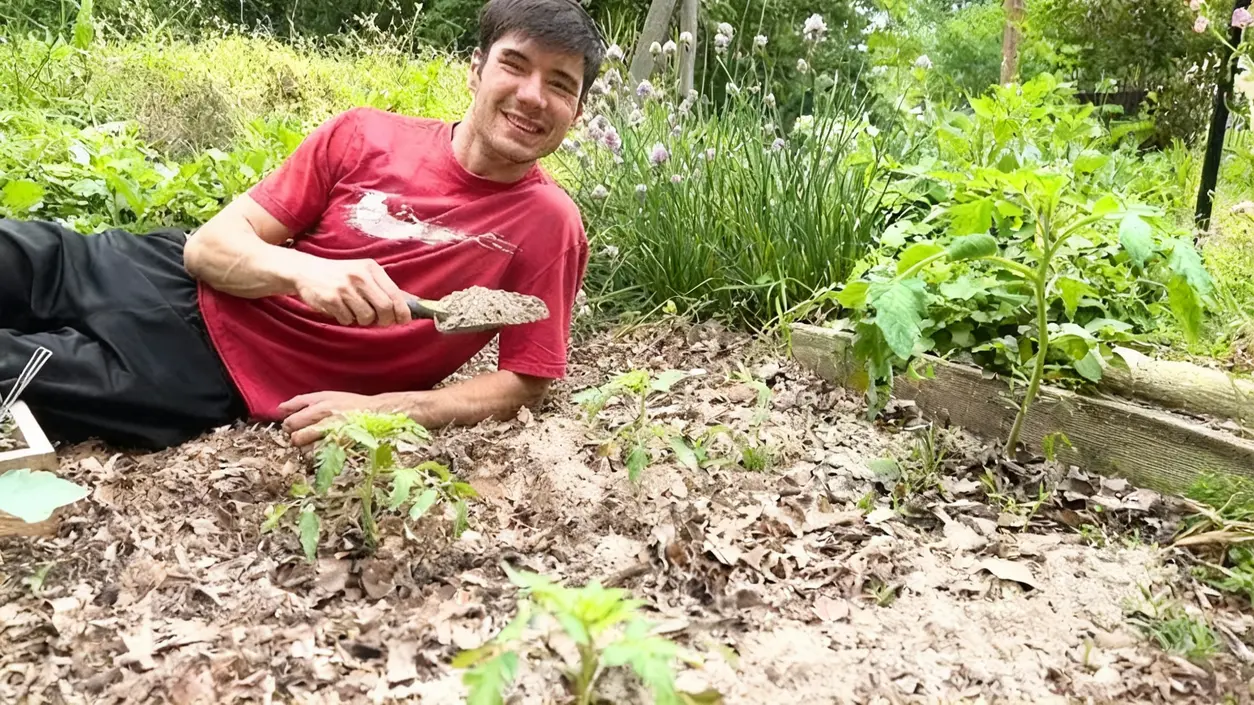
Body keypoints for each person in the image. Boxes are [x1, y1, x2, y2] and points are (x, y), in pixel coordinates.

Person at [0, 0, 603, 450]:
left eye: (560, 84)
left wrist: (387, 409)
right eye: (515, 65)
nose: (532, 96)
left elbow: (524, 381)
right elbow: (209, 248)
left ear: (576, 111)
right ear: (476, 70)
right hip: (158, 272)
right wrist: (307, 273)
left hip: (213, 373)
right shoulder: (365, 133)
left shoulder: (548, 224)